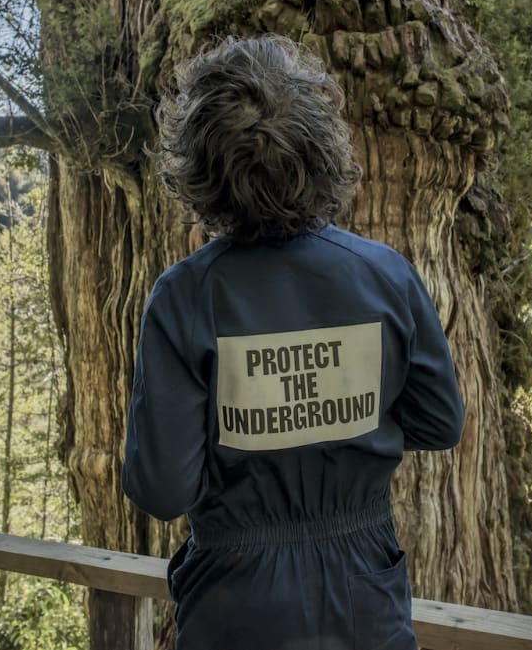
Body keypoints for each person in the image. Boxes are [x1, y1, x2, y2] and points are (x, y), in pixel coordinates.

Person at [122, 35, 465, 650]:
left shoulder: (183, 297)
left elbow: (162, 490)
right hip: (367, 593)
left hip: (236, 601)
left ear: (201, 167)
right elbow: (439, 422)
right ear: (321, 148)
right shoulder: (385, 275)